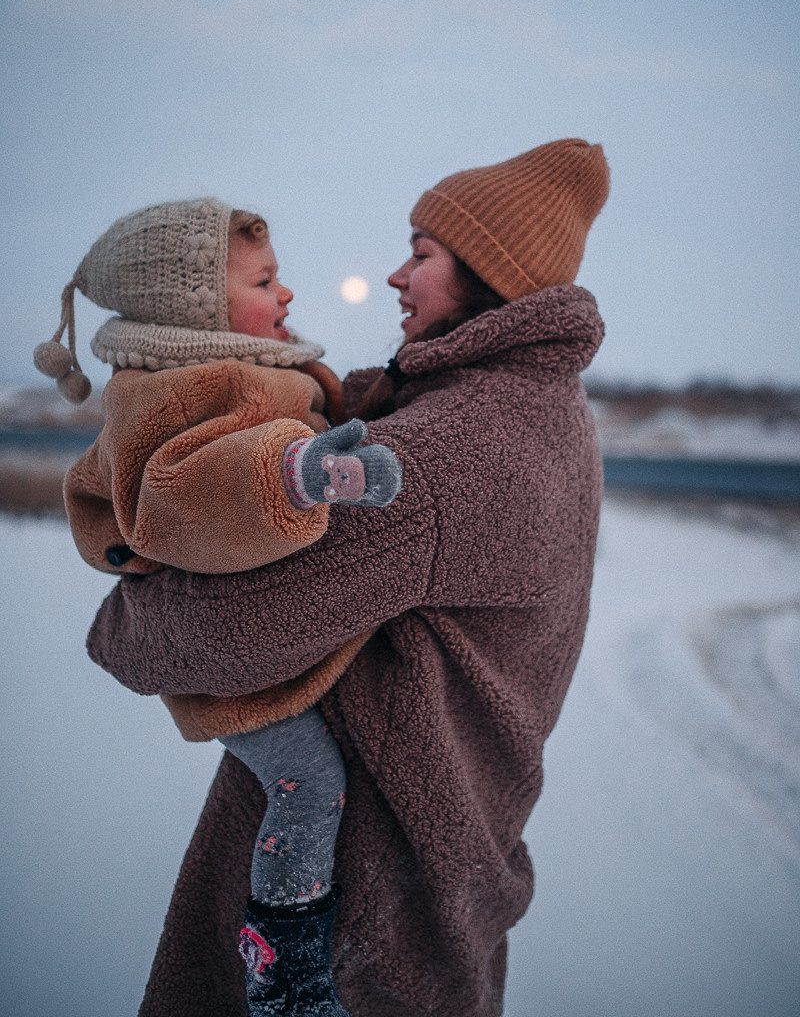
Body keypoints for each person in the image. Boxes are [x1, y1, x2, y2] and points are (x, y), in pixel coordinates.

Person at [86, 138, 610, 1017]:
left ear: (489, 272)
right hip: (438, 885)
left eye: (422, 253)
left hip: (352, 918)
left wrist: (121, 616)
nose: (398, 277)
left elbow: (217, 632)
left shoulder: (451, 450)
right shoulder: (540, 411)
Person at [34, 197, 402, 1017]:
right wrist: (299, 474)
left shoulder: (260, 365)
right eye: (265, 280)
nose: (289, 294)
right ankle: (285, 963)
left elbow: (322, 412)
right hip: (219, 662)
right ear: (197, 307)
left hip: (252, 631)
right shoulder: (168, 392)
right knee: (309, 780)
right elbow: (178, 493)